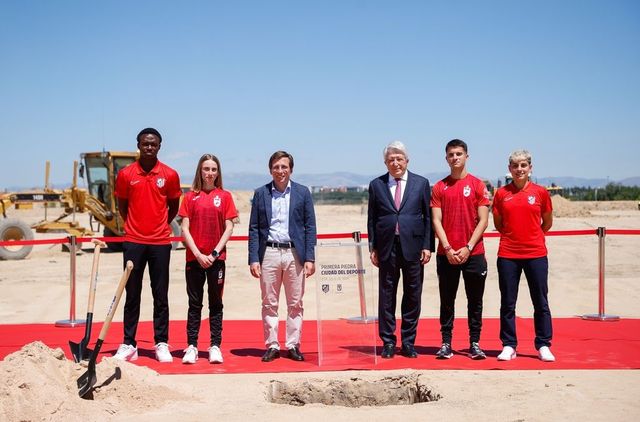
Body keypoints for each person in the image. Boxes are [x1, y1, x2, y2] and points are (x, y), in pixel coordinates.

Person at [113, 127, 182, 363]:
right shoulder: (125, 174)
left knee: (160, 295)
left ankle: (161, 343)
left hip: (161, 242)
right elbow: (122, 206)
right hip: (133, 241)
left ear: (159, 146)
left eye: (153, 144)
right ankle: (129, 344)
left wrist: (159, 224)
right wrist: (135, 226)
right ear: (138, 145)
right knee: (132, 294)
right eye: (145, 144)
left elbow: (173, 207)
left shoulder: (170, 175)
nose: (149, 147)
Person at [248, 150, 317, 362]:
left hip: (294, 253)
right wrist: (253, 258)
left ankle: (293, 344)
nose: (280, 171)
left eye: (284, 167)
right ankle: (272, 345)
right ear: (270, 170)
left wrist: (310, 257)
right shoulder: (261, 193)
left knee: (295, 302)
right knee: (269, 302)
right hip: (268, 253)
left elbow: (310, 226)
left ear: (291, 169)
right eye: (276, 167)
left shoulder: (302, 193)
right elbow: (254, 228)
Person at [367, 141, 433, 359]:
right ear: (385, 163)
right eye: (391, 159)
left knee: (413, 295)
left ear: (407, 161)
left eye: (399, 158)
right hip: (386, 247)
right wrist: (373, 246)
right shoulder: (376, 185)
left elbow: (427, 217)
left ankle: (408, 342)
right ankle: (387, 341)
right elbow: (372, 218)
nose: (395, 163)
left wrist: (427, 245)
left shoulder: (421, 183)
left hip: (413, 247)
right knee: (387, 296)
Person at [492, 149, 555, 362]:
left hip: (536, 253)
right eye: (515, 166)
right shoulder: (501, 194)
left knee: (540, 301)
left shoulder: (540, 192)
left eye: (523, 165)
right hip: (508, 254)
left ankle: (543, 344)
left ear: (530, 168)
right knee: (508, 302)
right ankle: (509, 345)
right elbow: (499, 224)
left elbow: (547, 222)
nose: (519, 169)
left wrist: (532, 236)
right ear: (509, 169)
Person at [430, 139, 490, 360]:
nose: (455, 158)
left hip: (473, 254)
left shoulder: (478, 185)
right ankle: (446, 343)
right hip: (446, 255)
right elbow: (436, 220)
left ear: (467, 156)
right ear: (446, 158)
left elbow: (483, 220)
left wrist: (468, 247)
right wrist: (447, 248)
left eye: (459, 154)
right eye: (451, 155)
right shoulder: (439, 187)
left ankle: (475, 343)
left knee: (475, 301)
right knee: (447, 300)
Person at [179, 154, 238, 364]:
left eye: (213, 169)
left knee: (216, 303)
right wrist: (197, 254)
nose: (210, 173)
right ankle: (192, 346)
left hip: (216, 259)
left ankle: (215, 346)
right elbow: (184, 228)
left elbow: (229, 227)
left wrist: (213, 254)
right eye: (206, 169)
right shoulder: (189, 197)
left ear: (218, 172)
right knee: (194, 304)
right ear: (200, 171)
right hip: (194, 259)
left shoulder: (225, 196)